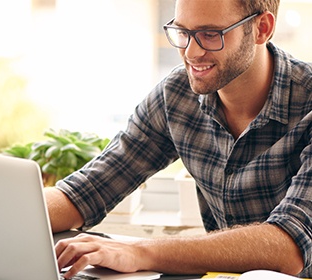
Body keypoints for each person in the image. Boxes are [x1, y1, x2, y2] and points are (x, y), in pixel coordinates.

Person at [45, 0, 312, 278]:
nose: (191, 52)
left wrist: (138, 251)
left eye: (211, 34)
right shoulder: (176, 95)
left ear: (262, 28)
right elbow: (87, 191)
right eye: (182, 32)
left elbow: (289, 246)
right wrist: (6, 215)